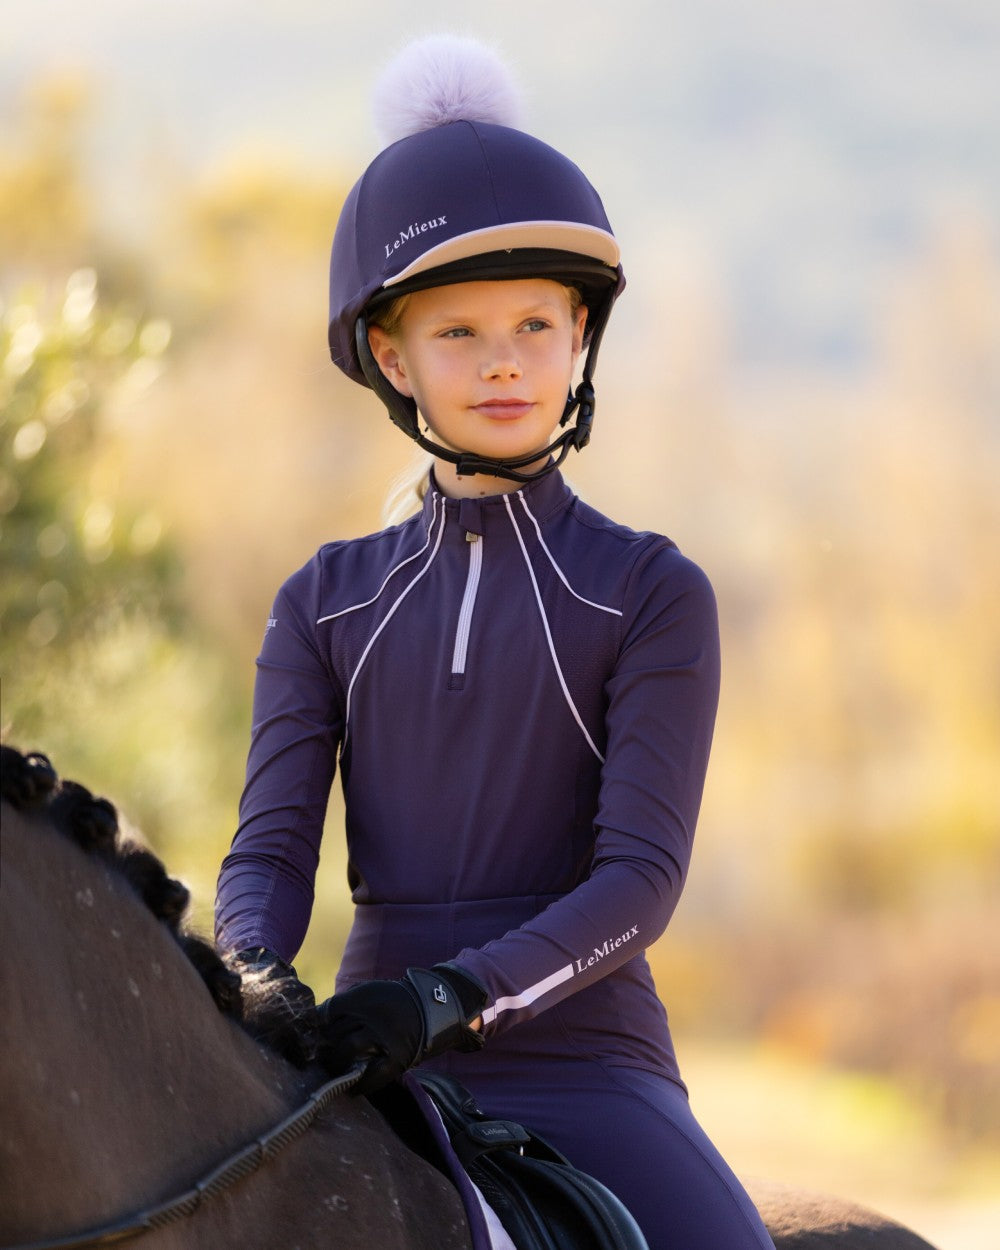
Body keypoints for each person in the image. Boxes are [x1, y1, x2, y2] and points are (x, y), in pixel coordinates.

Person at [215, 35, 776, 1250]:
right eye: (458, 331)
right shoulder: (322, 600)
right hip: (367, 1057)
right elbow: (268, 846)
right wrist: (255, 974)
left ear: (581, 335)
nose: (505, 358)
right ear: (389, 353)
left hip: (585, 1062)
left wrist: (452, 996)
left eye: (534, 321)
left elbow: (640, 881)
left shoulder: (649, 589)